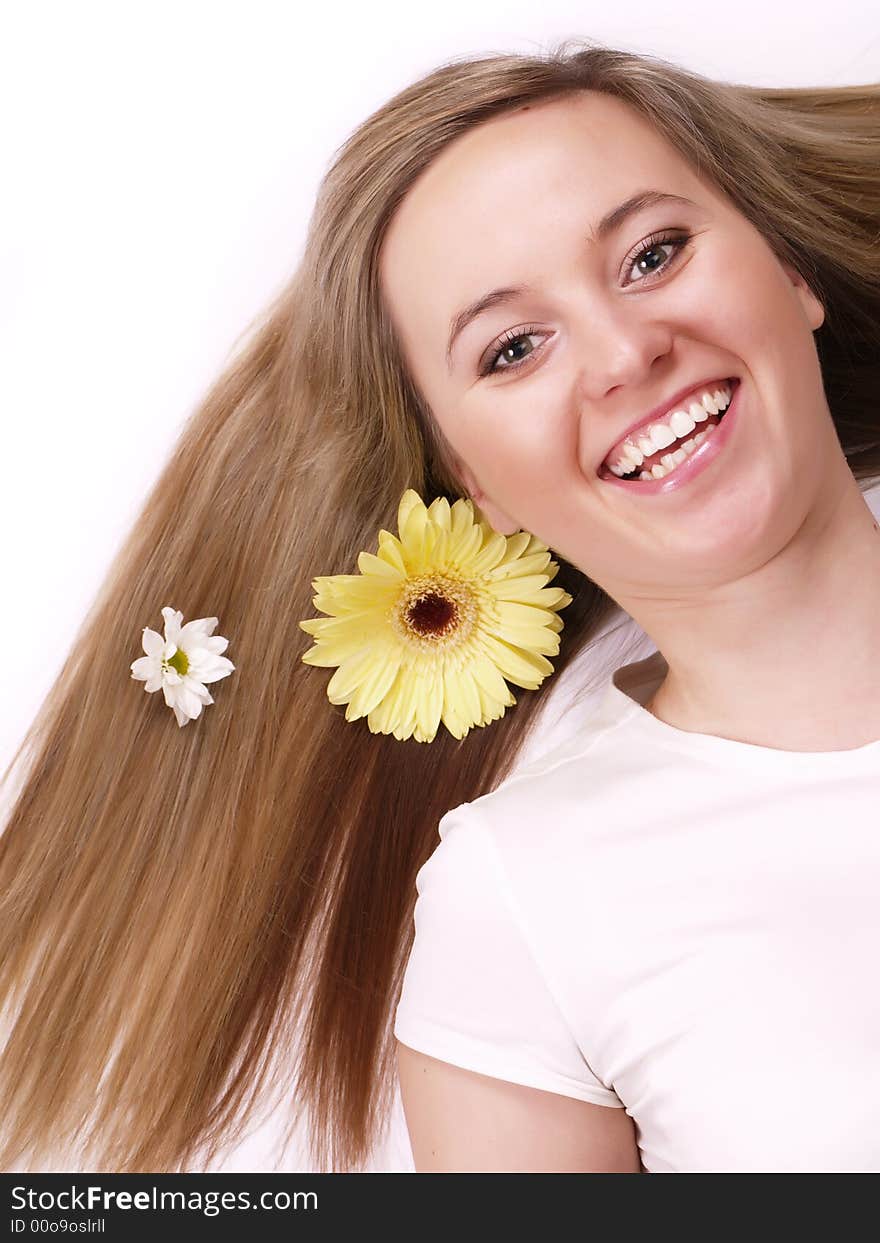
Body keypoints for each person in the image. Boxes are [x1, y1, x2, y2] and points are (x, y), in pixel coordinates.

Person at [0, 40, 878, 1175]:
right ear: (478, 485)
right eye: (513, 348)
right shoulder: (527, 899)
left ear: (789, 272)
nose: (623, 353)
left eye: (652, 254)